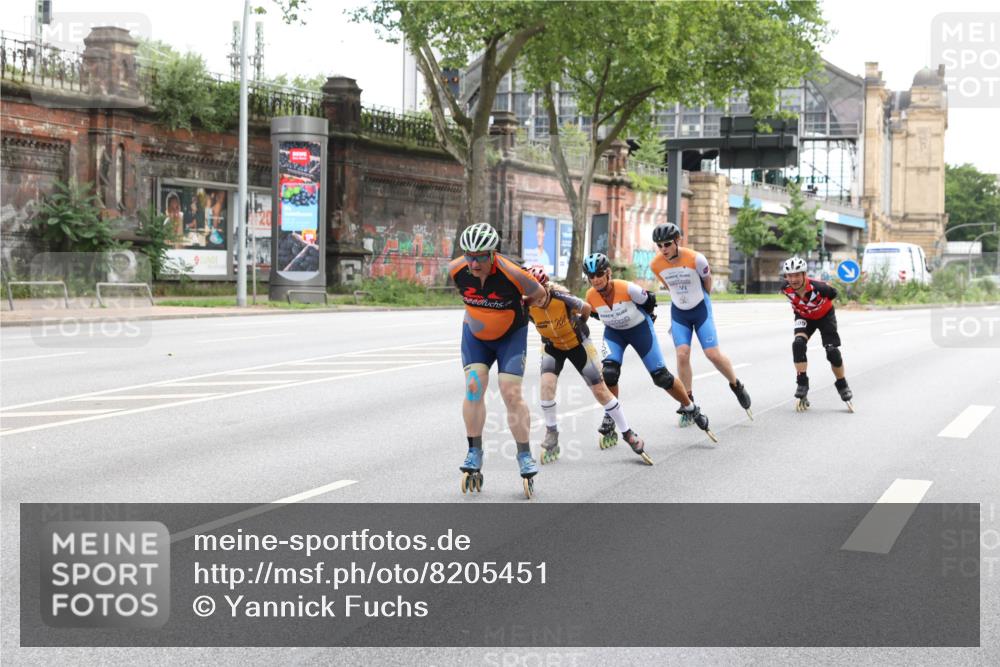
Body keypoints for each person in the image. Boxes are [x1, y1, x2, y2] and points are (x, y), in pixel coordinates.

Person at [449, 222, 548, 498]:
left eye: (480, 256)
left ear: (493, 253)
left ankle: (524, 454)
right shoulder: (457, 269)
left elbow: (540, 296)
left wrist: (522, 304)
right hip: (476, 337)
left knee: (510, 391)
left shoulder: (513, 273)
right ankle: (474, 451)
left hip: (510, 337)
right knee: (473, 386)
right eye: (469, 254)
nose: (473, 261)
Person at [583, 253, 718, 443]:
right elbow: (596, 315)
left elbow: (650, 301)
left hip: (640, 330)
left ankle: (690, 407)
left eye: (599, 274)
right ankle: (610, 415)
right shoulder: (590, 296)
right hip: (614, 333)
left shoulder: (627, 288)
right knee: (610, 372)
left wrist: (646, 318)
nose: (595, 279)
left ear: (608, 273)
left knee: (661, 377)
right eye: (591, 276)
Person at [523, 265, 651, 465]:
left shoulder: (560, 296)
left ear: (546, 287)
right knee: (546, 386)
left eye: (539, 295)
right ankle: (552, 432)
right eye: (532, 296)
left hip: (578, 343)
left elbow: (586, 309)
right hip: (552, 346)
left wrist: (578, 323)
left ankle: (627, 433)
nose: (537, 300)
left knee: (600, 390)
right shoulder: (527, 304)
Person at [649, 223, 752, 424]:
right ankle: (688, 401)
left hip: (700, 309)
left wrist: (701, 299)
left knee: (712, 354)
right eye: (659, 245)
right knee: (682, 354)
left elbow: (708, 282)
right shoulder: (656, 264)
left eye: (667, 244)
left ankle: (736, 384)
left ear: (678, 240)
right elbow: (669, 286)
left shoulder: (696, 258)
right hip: (679, 311)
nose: (663, 249)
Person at [779, 256, 854, 412]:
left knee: (832, 351)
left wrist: (819, 307)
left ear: (804, 275)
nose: (793, 279)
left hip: (825, 316)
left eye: (797, 275)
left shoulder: (819, 287)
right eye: (790, 275)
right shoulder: (785, 288)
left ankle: (842, 384)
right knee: (798, 344)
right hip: (804, 317)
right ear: (786, 277)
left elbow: (833, 294)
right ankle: (802, 382)